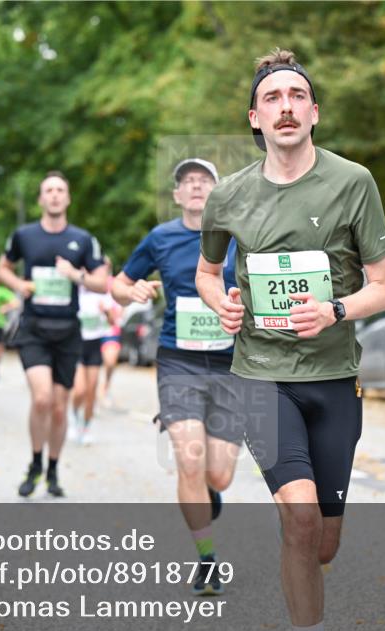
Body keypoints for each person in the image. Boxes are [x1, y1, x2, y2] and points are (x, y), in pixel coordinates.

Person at [196, 49, 385, 631]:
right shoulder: (227, 196)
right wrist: (223, 304)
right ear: (254, 117)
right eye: (272, 98)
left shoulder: (352, 181)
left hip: (334, 378)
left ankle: (303, 558)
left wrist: (335, 310)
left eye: (296, 96)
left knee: (324, 542)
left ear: (315, 111)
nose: (285, 107)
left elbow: (384, 286)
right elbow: (207, 273)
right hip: (260, 377)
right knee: (302, 521)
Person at [112, 157, 241, 595]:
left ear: (216, 191)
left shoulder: (238, 237)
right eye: (188, 181)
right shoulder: (160, 237)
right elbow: (118, 284)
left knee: (218, 475)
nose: (196, 186)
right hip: (178, 362)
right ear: (176, 195)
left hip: (229, 365)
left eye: (204, 180)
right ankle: (206, 558)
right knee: (188, 458)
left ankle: (208, 490)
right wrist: (133, 289)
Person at [0, 170, 108, 498]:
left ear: (68, 198)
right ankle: (34, 462)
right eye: (49, 190)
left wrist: (76, 275)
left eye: (61, 190)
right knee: (42, 397)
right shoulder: (24, 235)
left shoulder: (84, 240)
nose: (55, 195)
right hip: (34, 328)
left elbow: (104, 282)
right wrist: (19, 284)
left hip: (68, 331)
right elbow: (2, 268)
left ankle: (53, 468)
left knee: (60, 408)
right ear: (41, 199)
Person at [70, 282, 116, 445]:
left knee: (91, 391)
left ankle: (87, 427)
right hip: (78, 346)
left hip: (95, 347)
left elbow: (113, 322)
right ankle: (74, 414)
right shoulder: (76, 292)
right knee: (79, 391)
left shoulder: (103, 294)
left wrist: (106, 312)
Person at [96, 266, 124, 409]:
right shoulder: (85, 283)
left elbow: (116, 317)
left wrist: (107, 312)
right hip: (89, 332)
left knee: (110, 361)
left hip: (109, 330)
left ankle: (105, 388)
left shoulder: (114, 285)